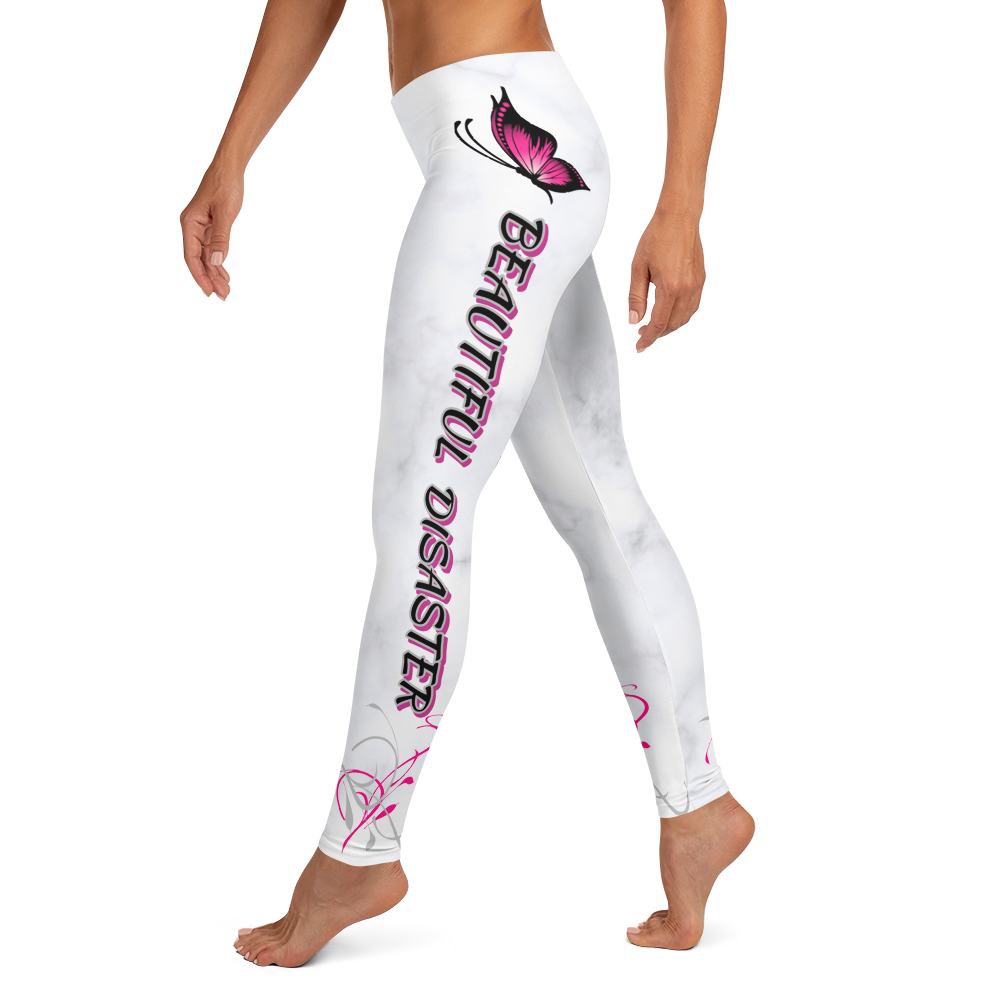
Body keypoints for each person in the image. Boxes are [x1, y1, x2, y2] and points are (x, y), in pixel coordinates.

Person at [179, 0, 752, 963]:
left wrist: (684, 205)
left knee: (425, 511)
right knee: (596, 498)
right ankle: (699, 803)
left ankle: (360, 851)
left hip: (508, 157)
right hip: (486, 151)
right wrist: (232, 154)